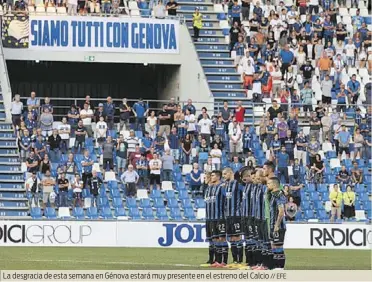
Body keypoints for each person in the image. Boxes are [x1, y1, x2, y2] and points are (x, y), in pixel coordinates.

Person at [222, 168, 243, 267]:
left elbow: (245, 196)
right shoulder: (226, 186)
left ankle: (240, 261)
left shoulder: (237, 184)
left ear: (231, 173)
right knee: (231, 238)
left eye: (225, 174)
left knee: (237, 237)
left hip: (236, 215)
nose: (223, 176)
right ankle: (235, 261)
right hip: (228, 215)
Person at [208, 170, 227, 268]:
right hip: (212, 217)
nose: (211, 177)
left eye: (213, 175)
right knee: (215, 239)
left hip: (221, 217)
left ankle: (225, 261)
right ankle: (218, 260)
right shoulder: (212, 188)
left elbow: (227, 200)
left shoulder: (222, 187)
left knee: (222, 238)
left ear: (218, 177)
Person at [267, 177, 287, 270]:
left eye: (269, 183)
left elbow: (281, 211)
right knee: (274, 246)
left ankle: (280, 268)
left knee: (278, 245)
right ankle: (276, 266)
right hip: (273, 224)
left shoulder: (279, 195)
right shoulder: (273, 194)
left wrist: (277, 225)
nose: (267, 185)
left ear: (274, 184)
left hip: (278, 226)